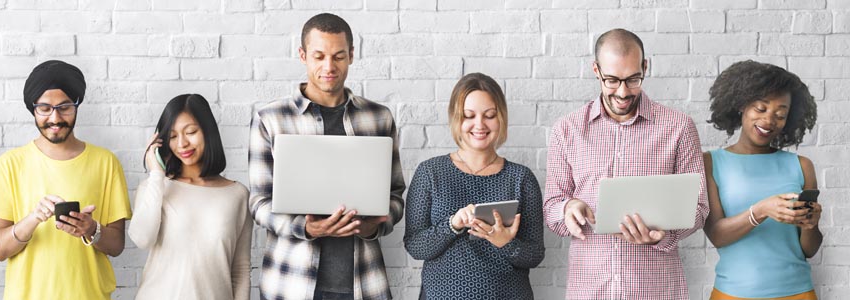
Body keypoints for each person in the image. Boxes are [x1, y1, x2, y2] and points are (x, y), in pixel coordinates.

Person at [542, 28, 708, 299]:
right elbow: (551, 209)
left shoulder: (679, 127)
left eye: (633, 79)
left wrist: (662, 235)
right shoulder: (567, 129)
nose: (622, 92)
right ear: (596, 70)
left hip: (655, 291)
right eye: (611, 80)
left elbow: (699, 209)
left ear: (645, 67)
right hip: (590, 290)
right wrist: (568, 208)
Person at [249, 13, 405, 300]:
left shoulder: (379, 117)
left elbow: (395, 196)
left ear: (352, 55)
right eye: (319, 56)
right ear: (302, 55)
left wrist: (375, 226)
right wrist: (306, 227)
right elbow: (259, 203)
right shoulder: (271, 119)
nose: (328, 67)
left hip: (362, 284)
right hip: (290, 283)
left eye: (338, 56)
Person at [0, 60, 131, 300]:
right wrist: (32, 220)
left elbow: (116, 246)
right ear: (33, 109)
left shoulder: (105, 162)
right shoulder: (9, 164)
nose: (55, 118)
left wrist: (91, 229)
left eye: (64, 107)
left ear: (77, 105)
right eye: (44, 108)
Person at [403, 73, 545, 299]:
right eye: (469, 116)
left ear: (501, 118)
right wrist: (453, 225)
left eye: (489, 115)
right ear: (456, 119)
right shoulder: (430, 173)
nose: (480, 125)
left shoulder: (521, 178)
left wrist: (506, 243)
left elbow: (535, 254)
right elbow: (415, 246)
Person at [702, 60, 821, 300]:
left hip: (798, 293)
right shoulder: (711, 162)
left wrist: (810, 225)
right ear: (741, 106)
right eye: (760, 108)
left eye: (780, 115)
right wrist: (761, 210)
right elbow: (716, 234)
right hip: (733, 293)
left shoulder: (801, 166)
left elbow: (809, 249)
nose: (769, 121)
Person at [128, 94, 252, 300]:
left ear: (208, 131)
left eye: (191, 132)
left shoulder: (237, 195)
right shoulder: (154, 187)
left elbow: (240, 271)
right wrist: (157, 174)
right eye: (173, 136)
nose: (182, 143)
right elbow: (142, 239)